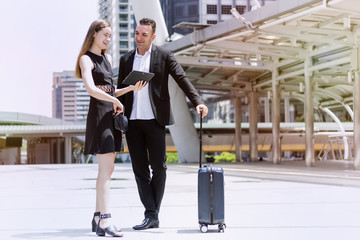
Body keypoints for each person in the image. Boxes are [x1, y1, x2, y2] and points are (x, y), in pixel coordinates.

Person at [117, 18, 208, 230]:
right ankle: (151, 214)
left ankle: (152, 213)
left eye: (143, 35)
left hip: (155, 120)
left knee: (159, 168)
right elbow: (120, 92)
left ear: (153, 36)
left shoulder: (163, 56)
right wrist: (117, 121)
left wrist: (198, 102)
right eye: (137, 33)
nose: (139, 38)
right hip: (132, 122)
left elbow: (181, 78)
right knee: (140, 170)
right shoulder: (126, 59)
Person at [75, 20, 146, 237]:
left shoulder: (106, 58)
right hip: (99, 117)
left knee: (108, 169)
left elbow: (110, 91)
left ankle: (98, 217)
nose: (108, 39)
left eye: (110, 36)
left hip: (111, 116)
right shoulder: (85, 59)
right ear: (94, 34)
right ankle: (105, 220)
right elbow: (91, 88)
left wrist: (130, 89)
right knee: (105, 171)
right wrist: (115, 101)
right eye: (105, 35)